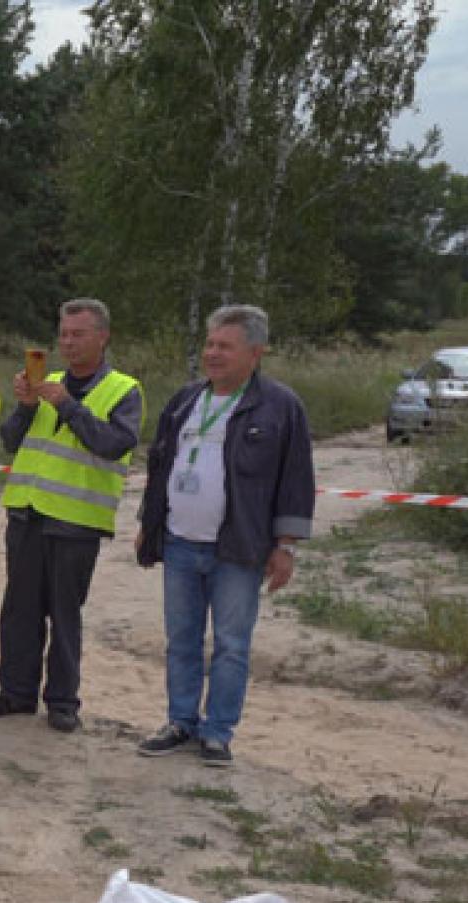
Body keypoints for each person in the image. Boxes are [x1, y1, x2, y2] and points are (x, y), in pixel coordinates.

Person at [134, 305, 313, 767]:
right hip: (178, 541)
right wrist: (147, 525)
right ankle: (180, 721)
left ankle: (217, 732)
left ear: (255, 353)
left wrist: (286, 546)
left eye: (224, 346)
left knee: (232, 645)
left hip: (239, 549)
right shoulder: (185, 400)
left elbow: (295, 480)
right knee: (182, 639)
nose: (212, 354)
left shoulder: (280, 407)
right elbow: (160, 466)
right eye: (210, 344)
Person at [0, 298, 143, 733]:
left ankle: (63, 702)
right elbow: (10, 441)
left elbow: (111, 443)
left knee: (64, 615)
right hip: (28, 514)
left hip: (76, 521)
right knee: (19, 611)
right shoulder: (45, 382)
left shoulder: (124, 390)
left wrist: (68, 405)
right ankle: (16, 693)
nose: (67, 343)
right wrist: (27, 405)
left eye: (78, 334)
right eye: (63, 334)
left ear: (102, 337)